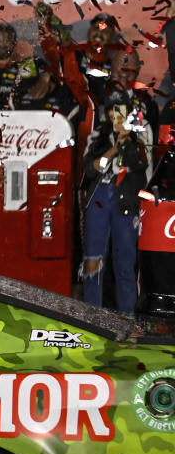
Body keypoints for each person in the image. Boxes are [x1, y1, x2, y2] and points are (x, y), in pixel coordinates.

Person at [80, 89, 149, 314]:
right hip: (99, 198)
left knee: (125, 264)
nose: (115, 114)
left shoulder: (141, 134)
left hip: (126, 201)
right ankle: (92, 318)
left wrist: (127, 141)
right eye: (111, 109)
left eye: (120, 109)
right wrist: (113, 148)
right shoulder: (97, 135)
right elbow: (90, 170)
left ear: (129, 111)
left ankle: (128, 318)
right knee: (93, 263)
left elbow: (142, 166)